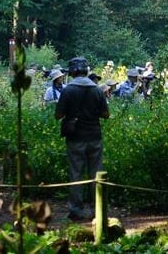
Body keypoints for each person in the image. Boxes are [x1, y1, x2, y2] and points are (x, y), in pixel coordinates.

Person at [54, 56, 110, 220]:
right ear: (86, 70)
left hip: (75, 137)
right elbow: (106, 114)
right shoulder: (97, 90)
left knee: (76, 174)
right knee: (96, 174)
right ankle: (97, 210)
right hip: (94, 136)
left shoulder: (68, 90)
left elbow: (58, 115)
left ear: (72, 71)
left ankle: (76, 211)